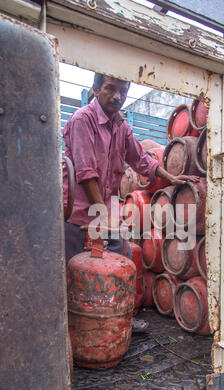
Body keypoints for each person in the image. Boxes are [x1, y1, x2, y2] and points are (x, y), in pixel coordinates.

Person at [63, 73, 198, 332]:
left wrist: (170, 176)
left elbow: (141, 160)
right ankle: (75, 328)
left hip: (106, 209)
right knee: (74, 273)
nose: (117, 96)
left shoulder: (120, 126)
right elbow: (85, 172)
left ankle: (121, 317)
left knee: (122, 258)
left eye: (123, 92)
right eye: (110, 89)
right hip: (79, 211)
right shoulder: (83, 120)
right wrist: (101, 215)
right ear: (95, 89)